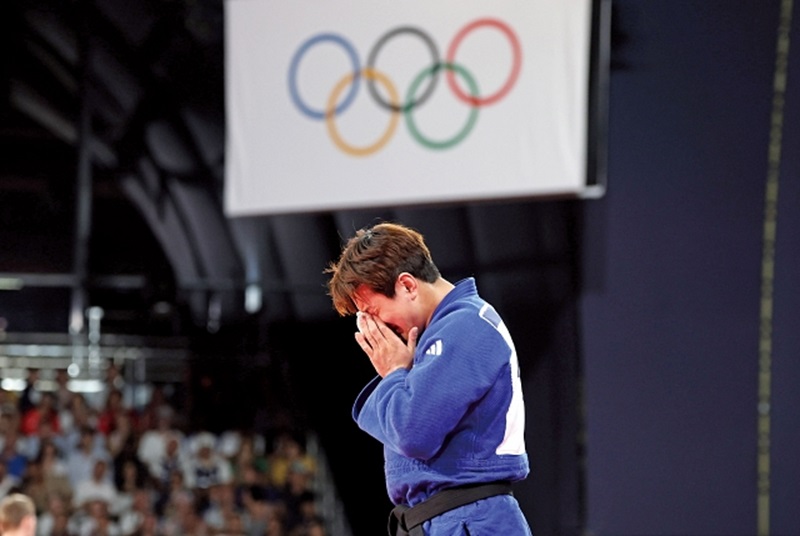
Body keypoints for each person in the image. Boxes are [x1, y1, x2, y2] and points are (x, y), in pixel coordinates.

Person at [325, 222, 532, 535]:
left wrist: (395, 372)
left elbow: (411, 432)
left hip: (471, 520)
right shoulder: (435, 336)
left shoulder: (466, 325)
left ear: (407, 286)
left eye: (373, 312)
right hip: (439, 520)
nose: (372, 327)